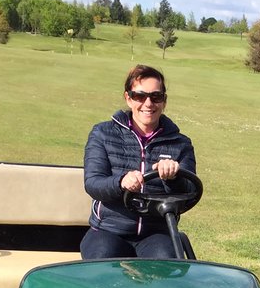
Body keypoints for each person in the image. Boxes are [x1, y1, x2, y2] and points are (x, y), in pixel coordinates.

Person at [81, 64, 197, 260]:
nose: (148, 103)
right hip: (109, 230)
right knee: (101, 265)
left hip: (156, 233)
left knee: (165, 268)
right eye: (140, 96)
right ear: (128, 98)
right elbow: (93, 183)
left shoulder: (180, 144)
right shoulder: (102, 133)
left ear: (164, 101)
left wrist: (173, 178)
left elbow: (188, 194)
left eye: (156, 96)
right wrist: (120, 182)